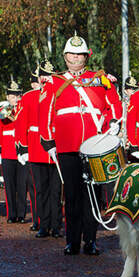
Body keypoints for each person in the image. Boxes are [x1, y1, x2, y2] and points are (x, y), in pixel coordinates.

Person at [39, 33, 122, 255]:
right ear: (65, 56)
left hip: (94, 144)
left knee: (92, 195)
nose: (75, 58)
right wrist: (49, 142)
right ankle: (72, 240)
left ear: (87, 56)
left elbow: (113, 103)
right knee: (73, 195)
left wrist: (114, 123)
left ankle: (91, 240)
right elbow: (46, 112)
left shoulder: (100, 78)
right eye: (71, 54)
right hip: (67, 146)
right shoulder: (54, 81)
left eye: (80, 55)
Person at [18, 59, 63, 237]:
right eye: (43, 75)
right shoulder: (29, 96)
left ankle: (56, 225)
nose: (46, 79)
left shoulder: (59, 93)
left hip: (56, 145)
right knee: (41, 190)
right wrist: (23, 148)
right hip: (37, 147)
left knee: (56, 191)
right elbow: (21, 124)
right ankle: (43, 224)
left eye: (49, 76)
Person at [0, 79, 27, 223]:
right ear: (8, 97)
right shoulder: (3, 111)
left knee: (22, 185)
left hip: (21, 152)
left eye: (18, 96)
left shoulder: (24, 109)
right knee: (9, 186)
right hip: (7, 151)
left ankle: (21, 214)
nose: (16, 99)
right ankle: (11, 214)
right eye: (13, 96)